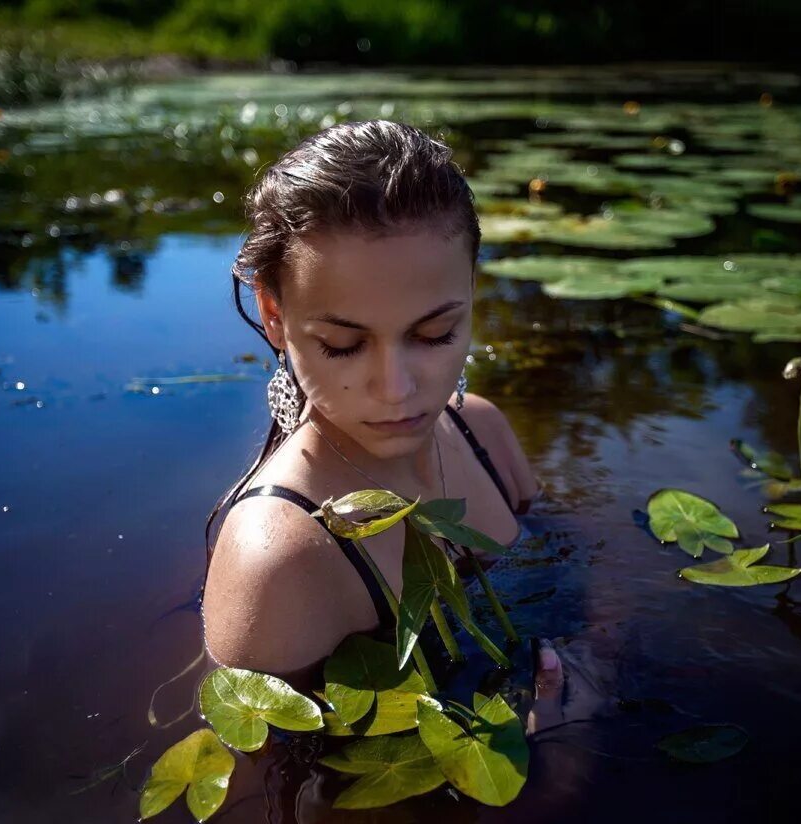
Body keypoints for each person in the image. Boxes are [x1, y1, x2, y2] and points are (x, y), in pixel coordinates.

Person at [201, 119, 554, 689]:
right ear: (274, 316)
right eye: (343, 345)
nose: (396, 389)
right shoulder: (281, 558)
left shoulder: (482, 429)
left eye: (435, 333)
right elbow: (267, 773)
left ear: (470, 291)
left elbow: (587, 585)